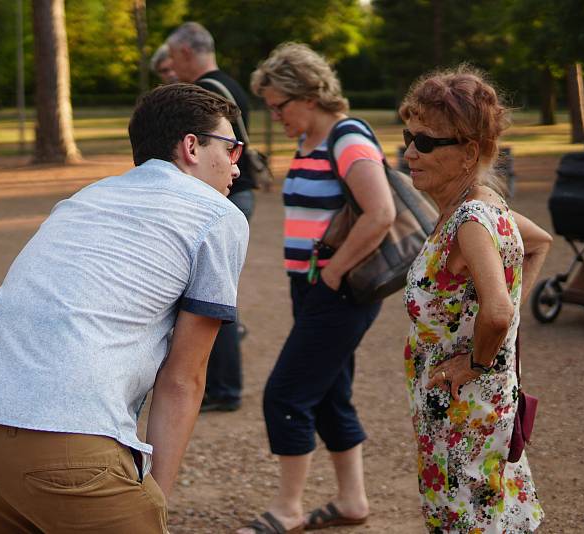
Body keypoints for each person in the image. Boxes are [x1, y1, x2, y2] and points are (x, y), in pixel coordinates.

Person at [0, 83, 249, 533]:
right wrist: (155, 496)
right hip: (65, 446)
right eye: (233, 148)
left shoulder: (86, 197)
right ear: (192, 146)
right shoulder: (216, 215)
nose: (237, 167)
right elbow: (183, 378)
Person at [239, 43, 396, 533]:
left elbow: (382, 213)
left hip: (338, 291)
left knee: (285, 394)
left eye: (278, 106)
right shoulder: (311, 140)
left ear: (305, 94)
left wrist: (332, 272)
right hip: (311, 288)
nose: (275, 116)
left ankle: (288, 508)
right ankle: (353, 502)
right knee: (329, 392)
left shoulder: (347, 139)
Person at [400, 66, 549, 532]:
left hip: (464, 408)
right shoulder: (485, 205)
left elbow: (499, 312)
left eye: (425, 143)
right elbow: (539, 241)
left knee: (469, 519)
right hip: (469, 406)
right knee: (488, 511)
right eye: (409, 137)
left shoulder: (470, 219)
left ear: (469, 151)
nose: (409, 153)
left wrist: (477, 362)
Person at [168, 21, 255, 412]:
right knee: (214, 293)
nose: (171, 66)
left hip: (224, 194)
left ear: (186, 52)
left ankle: (223, 388)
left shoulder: (206, 91)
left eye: (172, 57)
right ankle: (222, 385)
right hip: (238, 192)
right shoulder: (231, 84)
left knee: (209, 297)